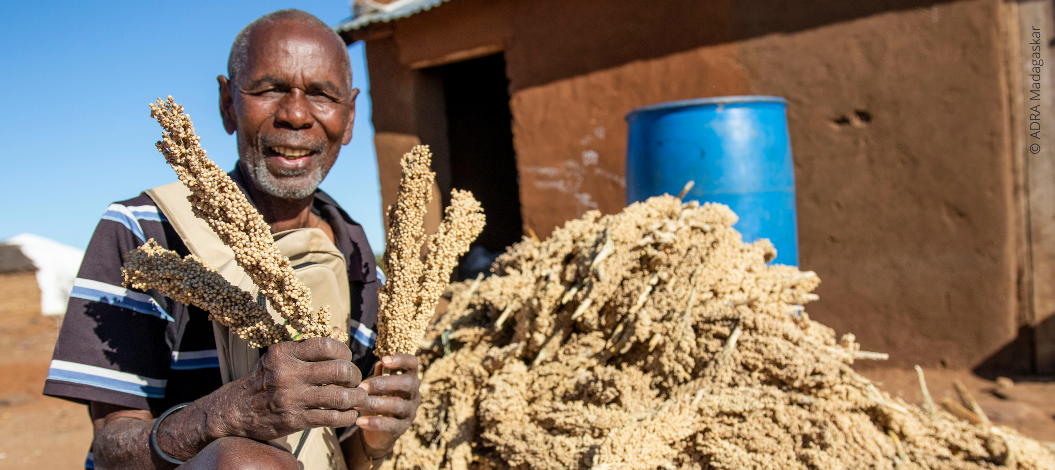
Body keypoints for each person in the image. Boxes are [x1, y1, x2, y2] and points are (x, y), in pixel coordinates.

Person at [43, 9, 421, 470]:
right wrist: (226, 415)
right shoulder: (144, 233)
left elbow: (335, 455)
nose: (296, 115)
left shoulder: (363, 265)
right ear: (227, 104)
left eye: (322, 95)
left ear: (350, 114)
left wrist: (375, 439)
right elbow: (112, 446)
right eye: (268, 90)